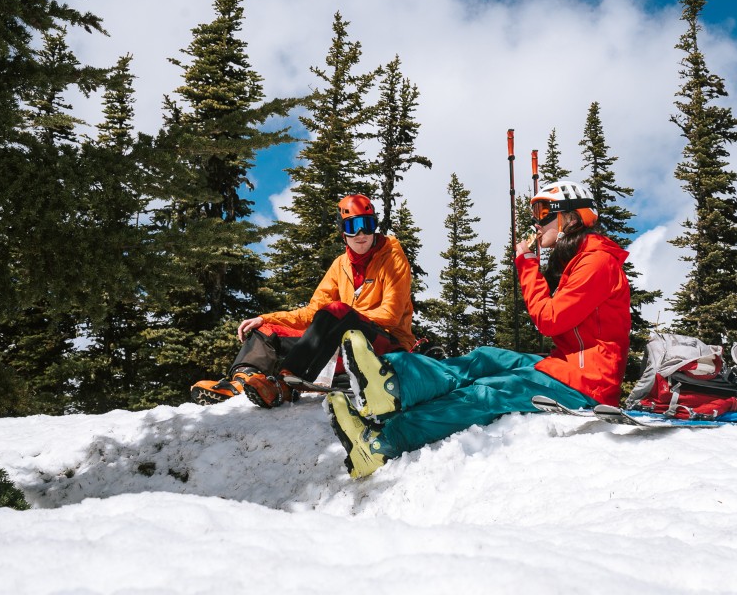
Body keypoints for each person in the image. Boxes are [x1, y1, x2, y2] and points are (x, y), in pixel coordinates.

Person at [325, 180, 631, 478]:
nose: (536, 223)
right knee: (485, 358)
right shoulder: (581, 259)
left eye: (543, 213)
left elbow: (549, 319)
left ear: (572, 217)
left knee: (487, 393)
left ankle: (382, 444)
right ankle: (394, 384)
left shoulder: (597, 262)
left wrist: (527, 266)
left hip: (587, 384)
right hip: (566, 368)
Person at [190, 194, 416, 408]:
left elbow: (390, 316)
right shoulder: (340, 265)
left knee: (336, 311)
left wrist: (342, 320)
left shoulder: (392, 257)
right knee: (267, 331)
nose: (360, 233)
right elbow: (312, 313)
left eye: (366, 224)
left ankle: (284, 384)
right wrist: (264, 318)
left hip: (386, 345)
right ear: (342, 232)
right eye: (351, 226)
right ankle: (241, 382)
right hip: (340, 343)